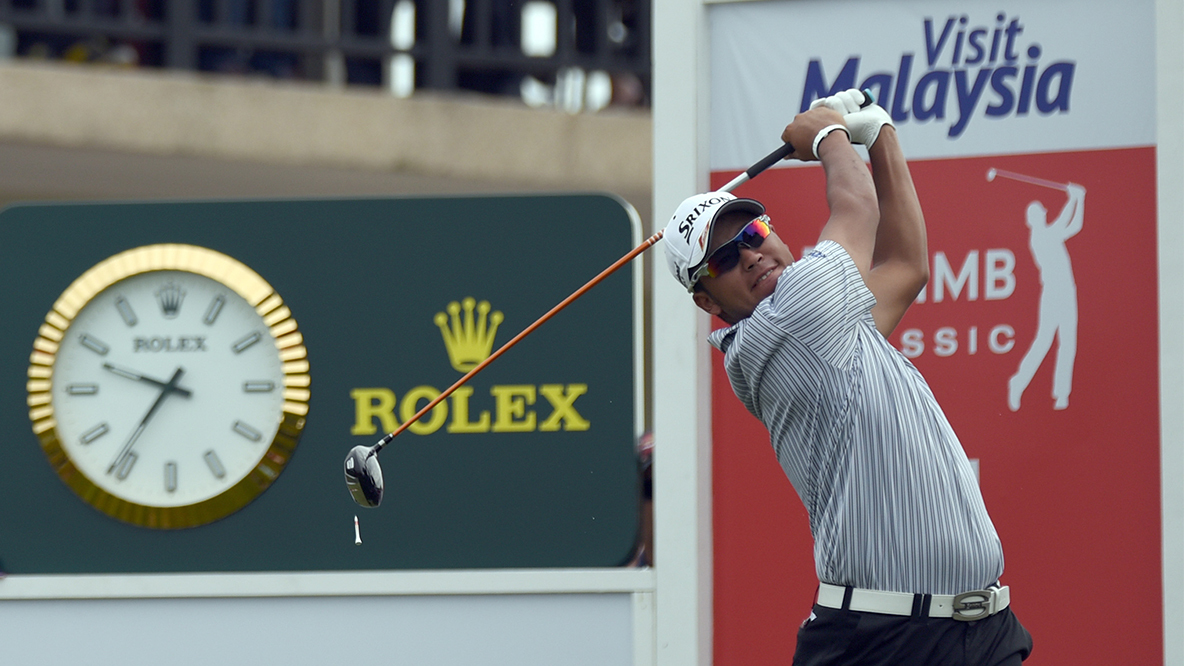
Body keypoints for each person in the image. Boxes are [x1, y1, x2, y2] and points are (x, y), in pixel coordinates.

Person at [661, 90, 1033, 665]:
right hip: (880, 640)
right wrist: (827, 134)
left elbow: (906, 266)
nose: (750, 255)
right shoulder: (786, 323)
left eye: (752, 233)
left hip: (981, 633)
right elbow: (857, 206)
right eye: (724, 259)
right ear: (708, 302)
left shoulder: (829, 324)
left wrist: (880, 135)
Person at [1007, 183, 1086, 411]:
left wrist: (1079, 200)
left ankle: (1061, 395)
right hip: (1053, 293)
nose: (1043, 214)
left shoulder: (1049, 233)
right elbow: (1064, 221)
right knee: (1044, 341)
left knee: (1068, 342)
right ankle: (1018, 382)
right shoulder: (1041, 236)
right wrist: (1073, 199)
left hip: (1067, 291)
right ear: (1033, 219)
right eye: (1040, 213)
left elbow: (1075, 226)